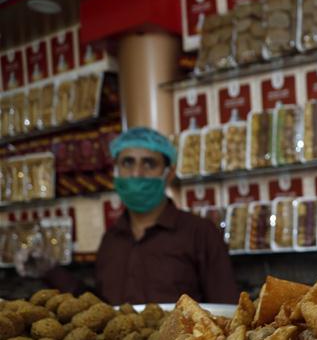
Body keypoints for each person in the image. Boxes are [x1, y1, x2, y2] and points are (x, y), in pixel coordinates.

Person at [40, 127, 240, 305]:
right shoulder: (111, 240)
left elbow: (227, 309)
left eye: (149, 163)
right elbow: (103, 311)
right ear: (116, 172)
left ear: (168, 174)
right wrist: (48, 270)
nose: (136, 173)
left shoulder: (199, 233)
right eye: (127, 162)